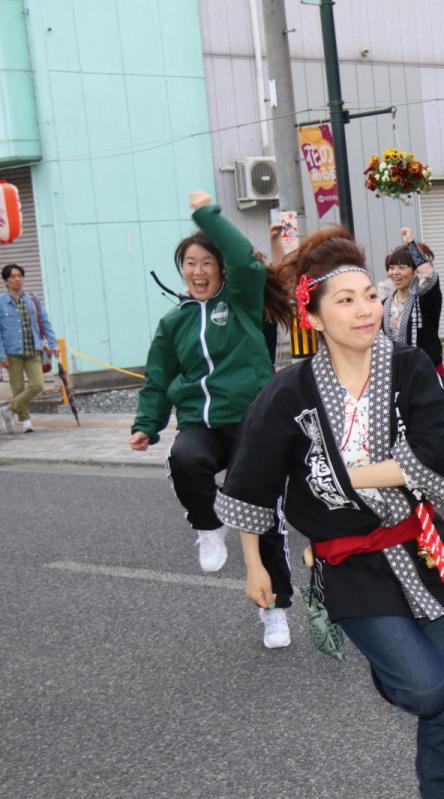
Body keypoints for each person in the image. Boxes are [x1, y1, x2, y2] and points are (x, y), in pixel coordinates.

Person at [217, 227, 444, 799]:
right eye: (346, 300)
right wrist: (255, 564)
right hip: (348, 564)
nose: (365, 310)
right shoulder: (289, 391)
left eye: (370, 296)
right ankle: (394, 672)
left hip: (422, 547)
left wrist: (340, 474)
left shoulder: (408, 367)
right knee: (427, 690)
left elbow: (443, 449)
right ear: (313, 317)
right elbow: (252, 478)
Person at [129, 191, 294, 649]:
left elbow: (246, 261)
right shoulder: (174, 323)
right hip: (200, 424)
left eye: (207, 262)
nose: (198, 271)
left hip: (250, 424)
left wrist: (206, 215)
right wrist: (146, 423)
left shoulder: (240, 301)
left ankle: (275, 610)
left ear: (221, 269)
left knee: (261, 518)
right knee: (183, 458)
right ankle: (208, 527)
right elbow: (158, 379)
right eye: (189, 263)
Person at [381, 228, 444, 382]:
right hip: (397, 378)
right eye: (391, 267)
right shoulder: (384, 304)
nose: (395, 272)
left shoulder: (425, 299)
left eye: (402, 267)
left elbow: (430, 277)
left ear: (415, 271)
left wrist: (410, 243)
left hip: (427, 375)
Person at [0, 263, 56, 434]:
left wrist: (53, 344)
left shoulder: (33, 299)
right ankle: (25, 421)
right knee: (18, 388)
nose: (17, 279)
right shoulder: (1, 303)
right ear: (6, 281)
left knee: (37, 385)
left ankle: (8, 409)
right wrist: (1, 355)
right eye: (13, 277)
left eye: (20, 276)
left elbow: (45, 322)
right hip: (12, 352)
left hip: (33, 349)